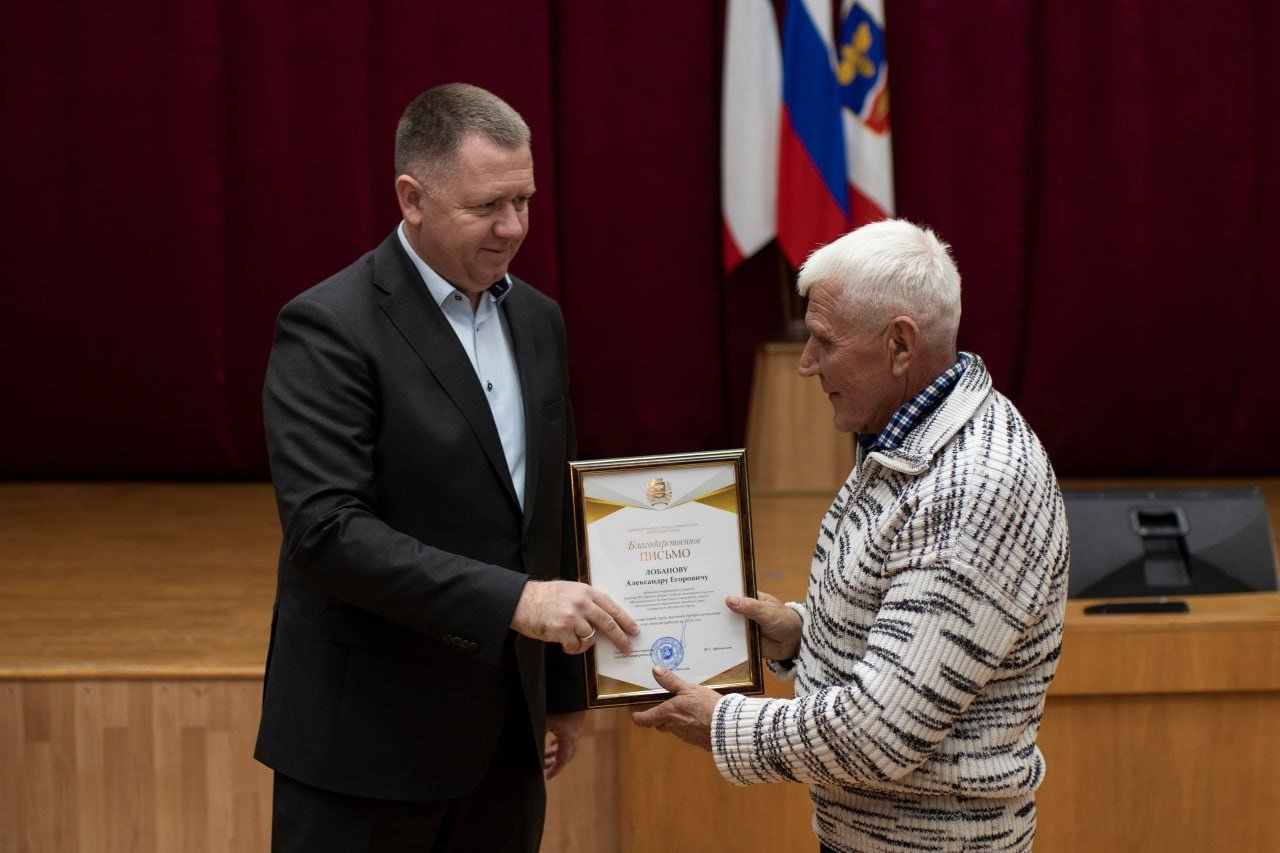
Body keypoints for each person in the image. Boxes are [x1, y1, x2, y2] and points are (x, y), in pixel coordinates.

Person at [255, 82, 639, 853]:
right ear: (412, 198)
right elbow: (326, 533)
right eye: (487, 206)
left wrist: (564, 691)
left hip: (506, 743)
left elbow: (549, 514)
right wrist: (517, 602)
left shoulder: (539, 318)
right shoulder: (328, 327)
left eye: (526, 200)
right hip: (365, 750)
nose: (514, 227)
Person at [633, 219, 1070, 852]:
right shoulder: (910, 437)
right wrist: (802, 632)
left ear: (899, 345)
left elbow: (882, 730)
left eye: (824, 342)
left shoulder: (975, 483)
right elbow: (918, 634)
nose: (806, 365)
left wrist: (724, 722)